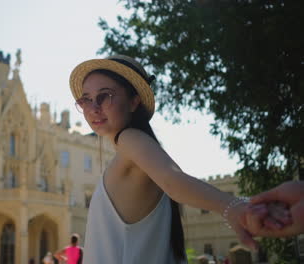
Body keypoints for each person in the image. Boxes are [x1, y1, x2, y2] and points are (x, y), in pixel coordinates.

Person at [68, 55, 289, 264]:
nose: (93, 108)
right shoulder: (131, 153)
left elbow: (172, 179)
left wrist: (232, 206)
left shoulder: (129, 139)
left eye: (104, 96)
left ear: (134, 102)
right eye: (86, 99)